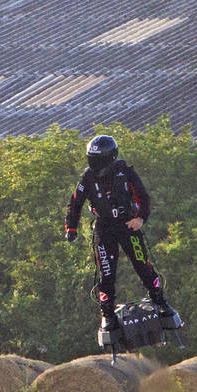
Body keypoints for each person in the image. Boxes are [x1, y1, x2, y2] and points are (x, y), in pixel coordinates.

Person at [64, 134, 175, 330]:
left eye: (99, 159)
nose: (95, 164)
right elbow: (75, 203)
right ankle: (107, 314)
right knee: (106, 272)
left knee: (142, 265)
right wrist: (71, 228)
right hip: (104, 228)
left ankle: (160, 301)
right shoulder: (87, 178)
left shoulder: (125, 171)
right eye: (92, 159)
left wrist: (140, 218)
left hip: (127, 224)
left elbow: (143, 196)